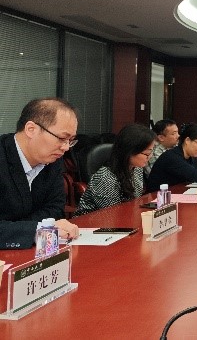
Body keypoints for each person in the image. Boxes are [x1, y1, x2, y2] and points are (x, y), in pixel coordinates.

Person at [0, 98, 80, 248]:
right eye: (62, 138)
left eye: (70, 140)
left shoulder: (52, 159)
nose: (66, 147)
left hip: (33, 250)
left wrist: (19, 229)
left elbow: (56, 209)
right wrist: (36, 229)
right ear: (31, 129)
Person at [74, 124, 156, 216]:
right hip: (92, 221)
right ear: (129, 151)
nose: (150, 157)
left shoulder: (137, 168)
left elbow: (134, 202)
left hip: (125, 216)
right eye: (146, 154)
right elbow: (112, 214)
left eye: (151, 152)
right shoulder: (105, 178)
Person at [147, 123, 197, 191]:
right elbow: (194, 175)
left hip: (177, 194)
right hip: (157, 197)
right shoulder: (171, 157)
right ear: (187, 140)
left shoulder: (192, 157)